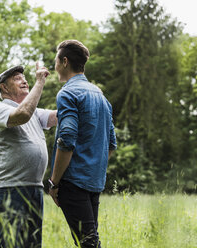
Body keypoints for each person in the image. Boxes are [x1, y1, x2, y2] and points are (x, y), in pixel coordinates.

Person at [48, 40, 117, 248]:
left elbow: (67, 138)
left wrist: (54, 182)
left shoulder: (67, 93)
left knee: (88, 243)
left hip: (73, 182)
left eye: (55, 61)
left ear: (65, 61)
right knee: (89, 240)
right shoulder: (101, 96)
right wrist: (92, 167)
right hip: (94, 182)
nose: (54, 66)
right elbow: (111, 144)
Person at [0, 62, 57, 248]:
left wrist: (78, 97)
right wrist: (40, 82)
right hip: (10, 189)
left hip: (34, 189)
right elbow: (22, 114)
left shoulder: (35, 112)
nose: (24, 81)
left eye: (25, 78)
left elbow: (58, 116)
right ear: (4, 87)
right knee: (9, 243)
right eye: (18, 79)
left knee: (32, 245)